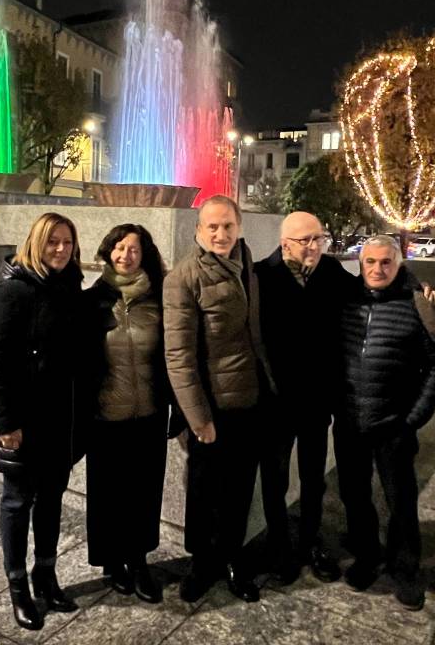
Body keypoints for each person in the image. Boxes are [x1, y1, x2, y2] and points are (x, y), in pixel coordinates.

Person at [335, 234, 435, 611]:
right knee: (354, 495)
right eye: (370, 262)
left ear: (398, 264)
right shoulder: (347, 299)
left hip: (394, 425)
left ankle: (405, 569)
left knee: (400, 500)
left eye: (385, 262)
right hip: (351, 420)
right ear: (360, 263)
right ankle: (367, 556)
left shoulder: (416, 305)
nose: (376, 269)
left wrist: (413, 419)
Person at [0, 213, 83, 631]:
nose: (61, 249)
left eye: (67, 242)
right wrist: (6, 424)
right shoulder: (13, 290)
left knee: (53, 499)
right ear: (36, 244)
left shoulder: (69, 286)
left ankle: (46, 574)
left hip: (61, 418)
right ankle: (18, 586)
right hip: (24, 420)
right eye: (52, 242)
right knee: (18, 501)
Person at [163, 194, 266, 603]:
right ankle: (201, 565)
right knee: (204, 491)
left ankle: (233, 560)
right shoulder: (184, 277)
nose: (221, 234)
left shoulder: (249, 266)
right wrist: (198, 417)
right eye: (213, 227)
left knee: (240, 489)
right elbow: (178, 355)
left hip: (250, 401)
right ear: (198, 231)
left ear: (238, 226)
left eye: (227, 226)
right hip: (212, 408)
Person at [254, 211, 351, 584]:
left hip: (316, 401)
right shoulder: (263, 276)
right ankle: (279, 545)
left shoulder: (331, 273)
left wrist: (409, 282)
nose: (313, 247)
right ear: (285, 244)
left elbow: (367, 289)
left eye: (319, 238)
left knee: (314, 477)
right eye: (305, 240)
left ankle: (311, 542)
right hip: (276, 402)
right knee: (274, 478)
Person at [82, 224, 175, 604]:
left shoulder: (159, 299)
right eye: (119, 248)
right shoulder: (94, 300)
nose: (125, 255)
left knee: (144, 491)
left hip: (150, 414)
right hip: (107, 415)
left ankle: (138, 562)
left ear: (145, 254)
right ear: (108, 252)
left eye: (134, 249)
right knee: (108, 493)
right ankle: (112, 561)